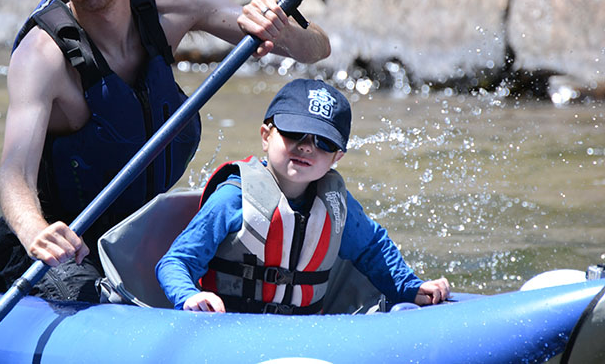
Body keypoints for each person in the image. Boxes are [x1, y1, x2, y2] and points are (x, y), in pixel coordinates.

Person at [0, 0, 331, 302]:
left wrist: (275, 22)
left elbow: (316, 47)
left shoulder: (173, 5)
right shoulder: (42, 58)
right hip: (64, 247)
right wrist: (36, 232)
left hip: (141, 236)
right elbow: (13, 174)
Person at [156, 78, 450, 313]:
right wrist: (189, 297)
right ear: (266, 135)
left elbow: (372, 249)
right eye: (294, 133)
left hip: (305, 335)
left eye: (323, 141)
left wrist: (410, 287)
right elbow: (176, 262)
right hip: (232, 330)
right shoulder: (232, 199)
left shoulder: (336, 206)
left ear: (336, 157)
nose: (307, 146)